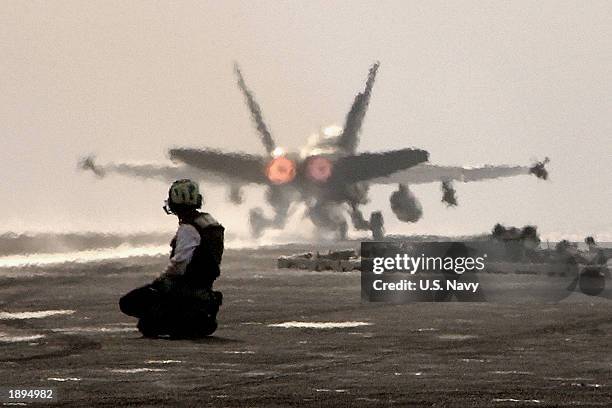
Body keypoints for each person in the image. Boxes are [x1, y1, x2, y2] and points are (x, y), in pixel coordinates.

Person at [119, 179, 225, 338]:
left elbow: (180, 264)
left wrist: (160, 280)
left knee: (131, 305)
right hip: (204, 288)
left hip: (185, 288)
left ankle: (176, 317)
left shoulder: (189, 228)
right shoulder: (208, 221)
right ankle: (194, 313)